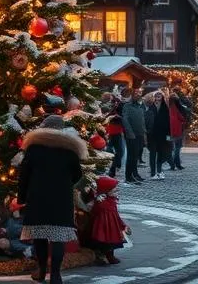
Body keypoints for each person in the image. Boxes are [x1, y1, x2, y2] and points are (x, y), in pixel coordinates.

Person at [19, 115, 88, 284]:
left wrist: (22, 197)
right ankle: (56, 275)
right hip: (61, 197)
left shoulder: (34, 148)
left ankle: (42, 270)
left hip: (38, 196)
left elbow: (24, 175)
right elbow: (77, 174)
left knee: (39, 235)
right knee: (59, 236)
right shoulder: (69, 150)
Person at [86, 175, 129, 266]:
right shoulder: (100, 202)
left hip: (112, 226)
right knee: (102, 243)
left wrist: (123, 225)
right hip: (102, 226)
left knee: (111, 243)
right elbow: (94, 212)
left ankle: (110, 256)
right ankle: (101, 256)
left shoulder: (112, 201)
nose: (117, 191)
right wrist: (97, 199)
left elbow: (116, 215)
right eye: (114, 189)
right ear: (106, 190)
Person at [121, 89, 147, 184]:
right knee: (131, 157)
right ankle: (128, 177)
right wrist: (130, 133)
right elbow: (125, 120)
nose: (137, 95)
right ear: (132, 95)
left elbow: (142, 121)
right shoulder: (127, 106)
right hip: (132, 135)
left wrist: (144, 134)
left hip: (140, 135)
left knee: (136, 156)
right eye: (135, 93)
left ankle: (135, 174)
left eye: (139, 93)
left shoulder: (140, 107)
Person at [145, 90, 171, 180]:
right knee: (152, 154)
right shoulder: (150, 107)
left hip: (163, 135)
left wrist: (169, 135)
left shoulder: (165, 108)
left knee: (161, 153)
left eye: (160, 95)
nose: (158, 96)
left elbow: (169, 123)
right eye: (157, 95)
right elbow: (146, 120)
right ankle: (153, 173)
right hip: (152, 134)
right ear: (154, 97)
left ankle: (159, 171)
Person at [101, 93, 125, 179]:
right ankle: (112, 169)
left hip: (118, 130)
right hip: (109, 131)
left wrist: (119, 115)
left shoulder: (119, 104)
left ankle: (114, 166)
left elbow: (123, 115)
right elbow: (104, 116)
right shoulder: (103, 106)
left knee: (120, 151)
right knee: (109, 150)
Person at [167, 86, 188, 171]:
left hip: (169, 132)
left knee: (171, 148)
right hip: (177, 131)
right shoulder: (177, 107)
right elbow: (181, 117)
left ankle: (173, 164)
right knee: (177, 148)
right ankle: (176, 164)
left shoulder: (168, 107)